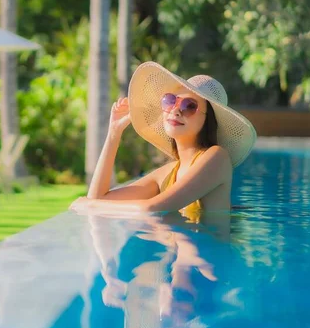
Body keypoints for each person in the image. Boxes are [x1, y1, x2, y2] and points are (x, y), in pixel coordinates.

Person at [71, 61, 257, 217]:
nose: (175, 110)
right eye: (170, 101)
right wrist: (114, 133)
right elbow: (98, 198)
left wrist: (88, 205)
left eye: (189, 106)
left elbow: (152, 209)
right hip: (178, 260)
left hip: (209, 261)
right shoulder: (168, 173)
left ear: (208, 119)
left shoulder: (217, 158)